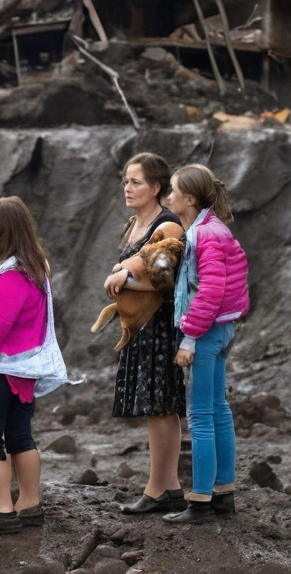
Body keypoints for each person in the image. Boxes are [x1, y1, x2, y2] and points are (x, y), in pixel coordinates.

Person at [0, 197, 68, 534]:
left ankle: (3, 511)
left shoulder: (8, 275)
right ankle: (29, 504)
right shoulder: (36, 268)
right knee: (20, 435)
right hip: (25, 369)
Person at [161, 164, 249, 524]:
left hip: (207, 332)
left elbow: (211, 290)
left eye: (173, 191)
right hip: (223, 328)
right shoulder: (215, 229)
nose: (169, 197)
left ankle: (200, 502)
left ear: (190, 199)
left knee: (199, 417)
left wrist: (190, 337)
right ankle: (224, 496)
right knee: (218, 409)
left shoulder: (204, 235)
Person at [101, 153, 187, 515]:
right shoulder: (134, 223)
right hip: (141, 329)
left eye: (136, 182)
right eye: (125, 181)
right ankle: (169, 487)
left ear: (156, 187)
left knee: (161, 408)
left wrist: (125, 278)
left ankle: (158, 489)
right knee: (157, 408)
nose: (128, 187)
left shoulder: (167, 225)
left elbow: (162, 281)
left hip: (160, 325)